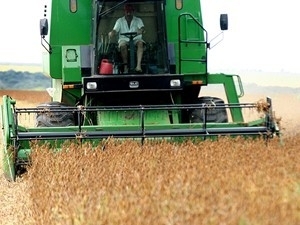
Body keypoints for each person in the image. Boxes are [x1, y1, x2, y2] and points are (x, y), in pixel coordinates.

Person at [108, 4, 145, 73]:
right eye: (127, 11)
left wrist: (141, 30)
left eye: (130, 11)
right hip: (124, 39)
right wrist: (112, 33)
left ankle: (138, 66)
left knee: (140, 44)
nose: (128, 13)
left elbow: (142, 28)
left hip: (135, 38)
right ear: (124, 12)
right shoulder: (119, 21)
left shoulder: (138, 20)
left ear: (133, 12)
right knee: (122, 46)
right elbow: (115, 30)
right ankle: (125, 66)